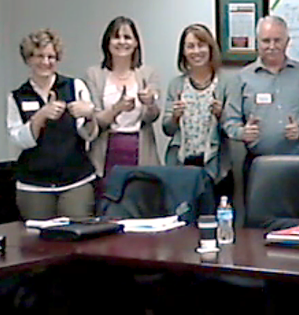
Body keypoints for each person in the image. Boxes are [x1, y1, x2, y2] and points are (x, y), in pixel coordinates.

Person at [223, 15, 299, 212]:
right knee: (260, 225)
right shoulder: (242, 78)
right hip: (258, 165)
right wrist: (242, 133)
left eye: (277, 40)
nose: (271, 46)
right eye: (266, 41)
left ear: (287, 42)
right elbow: (229, 121)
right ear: (257, 43)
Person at [7, 29, 98, 219]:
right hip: (34, 185)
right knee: (38, 243)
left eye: (51, 57)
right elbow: (19, 140)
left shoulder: (75, 87)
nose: (46, 62)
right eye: (40, 56)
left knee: (77, 238)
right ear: (29, 59)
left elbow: (89, 134)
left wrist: (89, 115)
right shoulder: (17, 96)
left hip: (75, 180)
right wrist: (40, 117)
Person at [86, 16, 161, 198]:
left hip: (140, 149)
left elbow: (152, 116)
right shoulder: (95, 74)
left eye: (127, 37)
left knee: (139, 204)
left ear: (136, 43)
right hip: (107, 152)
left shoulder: (147, 73)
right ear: (107, 42)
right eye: (116, 37)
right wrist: (116, 109)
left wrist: (150, 103)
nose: (122, 42)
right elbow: (94, 120)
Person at [162, 23, 233, 195]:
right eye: (190, 46)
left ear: (210, 49)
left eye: (201, 45)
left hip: (215, 165)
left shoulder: (226, 83)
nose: (196, 51)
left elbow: (233, 128)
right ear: (183, 52)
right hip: (182, 164)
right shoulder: (176, 84)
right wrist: (175, 117)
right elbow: (167, 129)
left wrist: (221, 115)